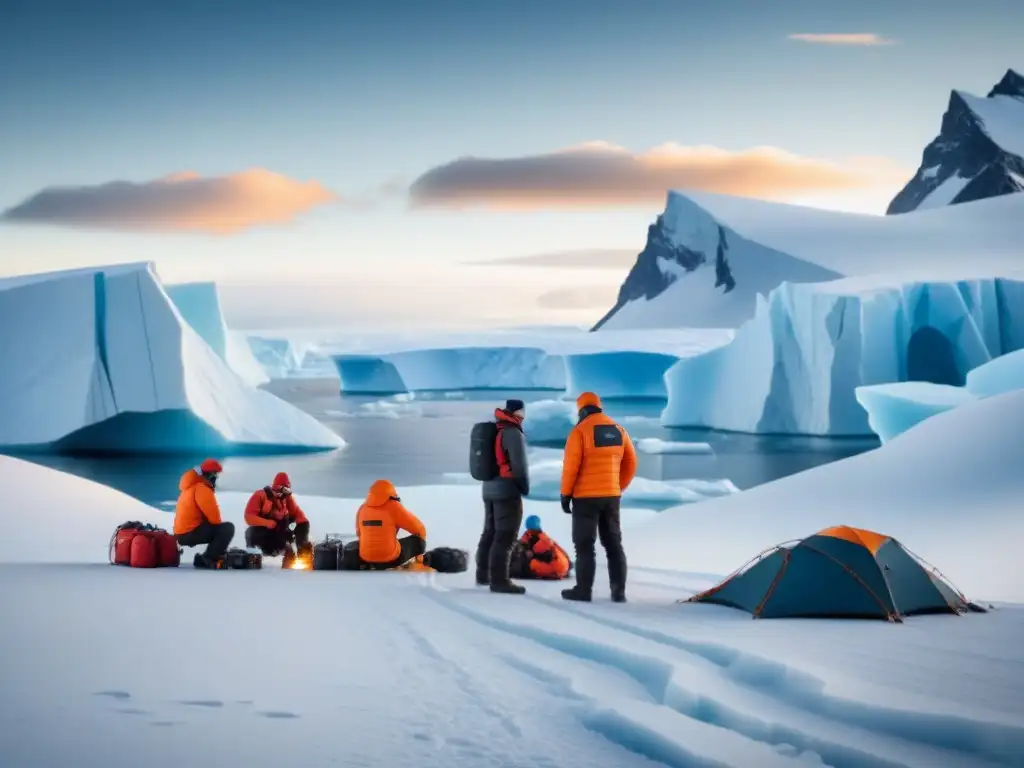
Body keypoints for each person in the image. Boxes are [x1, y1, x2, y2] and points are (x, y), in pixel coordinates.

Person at [559, 392, 637, 602]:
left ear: (581, 409)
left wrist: (566, 494)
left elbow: (570, 468)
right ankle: (618, 592)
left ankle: (583, 590)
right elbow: (631, 463)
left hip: (585, 498)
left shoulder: (580, 432)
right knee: (613, 544)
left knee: (585, 545)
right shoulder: (618, 430)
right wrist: (617, 486)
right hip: (611, 496)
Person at [476, 398, 530, 594]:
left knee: (489, 532)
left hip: (488, 488)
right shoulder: (512, 432)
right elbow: (519, 465)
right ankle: (499, 580)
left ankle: (483, 575)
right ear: (518, 412)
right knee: (505, 536)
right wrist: (523, 487)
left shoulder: (494, 430)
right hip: (506, 490)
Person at [346, 479, 427, 570]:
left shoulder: (362, 509)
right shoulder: (394, 507)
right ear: (391, 493)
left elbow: (359, 533)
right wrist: (420, 550)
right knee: (418, 541)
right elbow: (419, 529)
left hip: (366, 558)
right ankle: (417, 563)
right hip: (391, 559)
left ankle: (373, 563)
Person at [173, 458, 235, 569]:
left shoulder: (189, 487)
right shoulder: (202, 489)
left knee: (218, 530)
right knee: (227, 528)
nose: (216, 478)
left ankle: (206, 557)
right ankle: (209, 558)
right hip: (189, 533)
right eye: (215, 474)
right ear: (210, 475)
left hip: (181, 533)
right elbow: (215, 519)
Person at [243, 472, 311, 567]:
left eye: (287, 490)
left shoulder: (287, 498)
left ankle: (302, 554)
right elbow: (249, 517)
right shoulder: (260, 495)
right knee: (250, 532)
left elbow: (298, 515)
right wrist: (266, 523)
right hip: (264, 534)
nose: (283, 494)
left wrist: (301, 539)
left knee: (303, 524)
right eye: (283, 490)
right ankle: (253, 556)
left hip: (281, 533)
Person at [517, 515, 571, 580]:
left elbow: (533, 555)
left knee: (527, 566)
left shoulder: (544, 542)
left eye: (531, 529)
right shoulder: (543, 537)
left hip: (557, 568)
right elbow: (523, 541)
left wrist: (531, 553)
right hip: (564, 564)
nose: (530, 531)